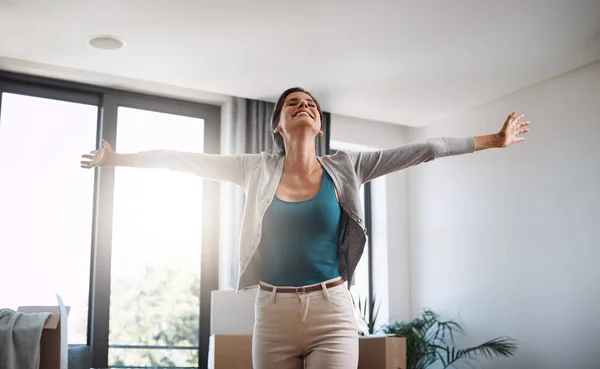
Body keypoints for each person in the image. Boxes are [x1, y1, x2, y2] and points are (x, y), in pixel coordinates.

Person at [81, 87, 530, 368]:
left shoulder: (348, 167)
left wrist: (494, 139)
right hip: (272, 314)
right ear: (279, 124)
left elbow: (426, 147)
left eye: (311, 104)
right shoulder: (254, 168)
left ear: (318, 125)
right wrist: (118, 159)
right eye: (293, 104)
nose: (304, 107)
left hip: (332, 311)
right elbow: (187, 161)